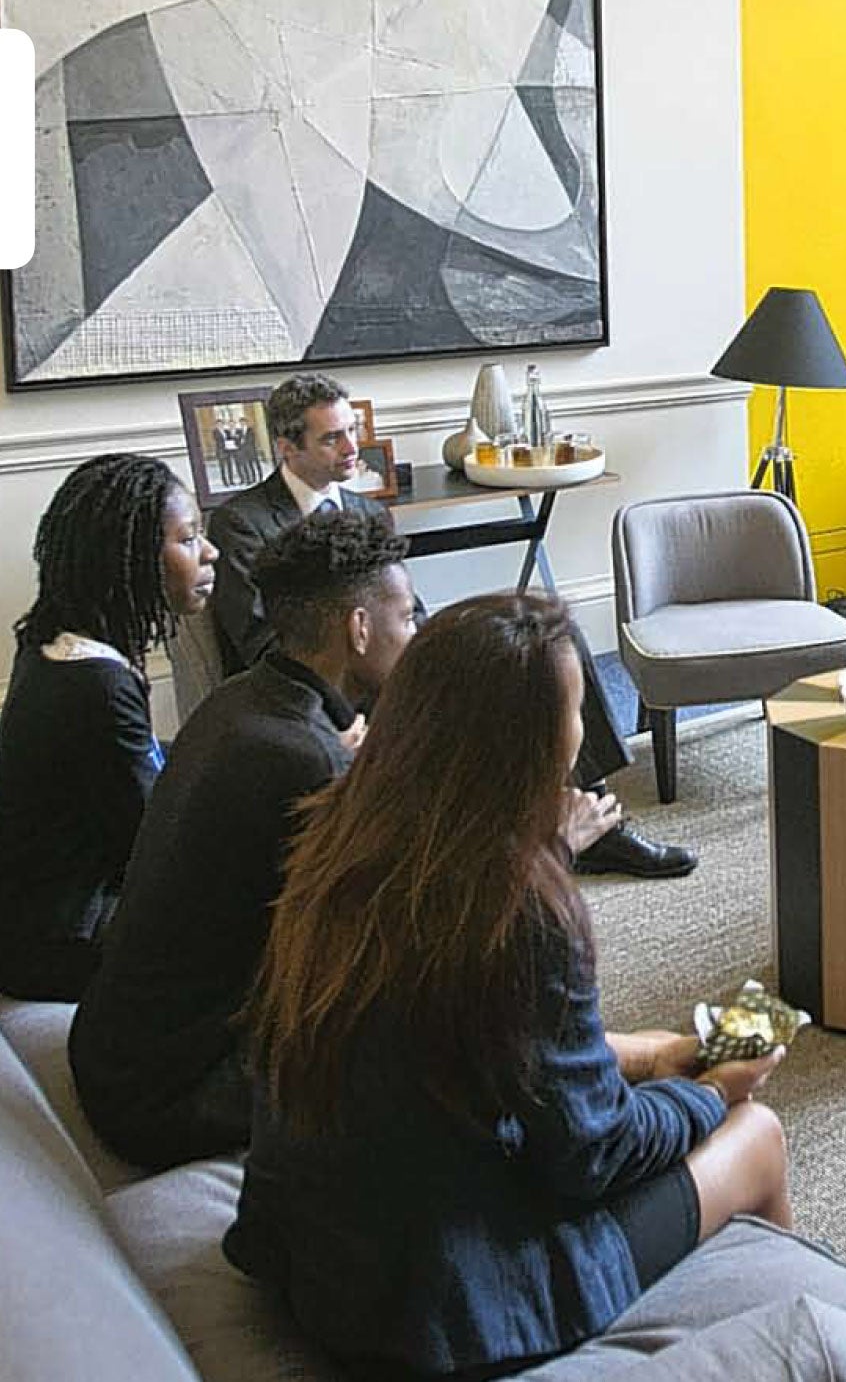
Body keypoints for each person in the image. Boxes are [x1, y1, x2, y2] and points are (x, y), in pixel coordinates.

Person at [225, 593, 791, 1378]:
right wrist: (711, 1092)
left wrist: (643, 1058)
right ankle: (788, 1318)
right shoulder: (517, 907)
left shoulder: (342, 827)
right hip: (448, 1307)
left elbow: (473, 1043)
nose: (584, 731)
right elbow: (594, 1154)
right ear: (526, 741)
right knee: (756, 1135)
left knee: (667, 1077)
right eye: (574, 709)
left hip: (317, 1262)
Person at [207, 372, 693, 879]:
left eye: (353, 430)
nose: (352, 447)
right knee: (510, 679)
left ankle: (598, 821)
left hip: (400, 658)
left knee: (549, 634)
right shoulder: (243, 522)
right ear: (287, 447)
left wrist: (434, 649)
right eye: (332, 437)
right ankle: (540, 835)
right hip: (341, 686)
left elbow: (407, 607)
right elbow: (261, 640)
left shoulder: (365, 508)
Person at [69, 511, 415, 1167]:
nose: (417, 634)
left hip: (109, 1048)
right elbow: (375, 939)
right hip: (170, 1095)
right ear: (360, 628)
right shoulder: (307, 758)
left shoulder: (239, 701)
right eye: (408, 618)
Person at [0, 454, 216, 1000]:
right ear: (137, 558)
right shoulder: (96, 686)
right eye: (188, 539)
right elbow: (157, 850)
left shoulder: (51, 644)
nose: (210, 552)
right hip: (61, 939)